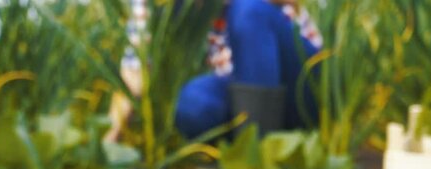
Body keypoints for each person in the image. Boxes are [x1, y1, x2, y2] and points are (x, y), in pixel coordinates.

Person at [106, 0, 322, 141]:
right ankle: (253, 147)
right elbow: (136, 69)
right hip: (240, 84)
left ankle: (259, 157)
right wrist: (109, 139)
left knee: (249, 11)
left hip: (304, 81)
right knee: (191, 106)